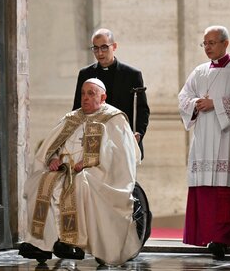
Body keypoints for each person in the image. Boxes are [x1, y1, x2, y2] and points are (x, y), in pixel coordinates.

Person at [19, 78, 142, 266]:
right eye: (83, 93)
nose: (85, 98)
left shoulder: (114, 119)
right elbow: (51, 146)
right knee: (41, 182)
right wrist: (52, 158)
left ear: (103, 97)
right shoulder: (71, 118)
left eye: (91, 94)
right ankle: (40, 243)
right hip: (63, 170)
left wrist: (90, 161)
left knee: (79, 184)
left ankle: (72, 242)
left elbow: (120, 154)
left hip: (97, 172)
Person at [178, 25, 230, 258]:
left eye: (212, 42)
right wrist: (194, 104)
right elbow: (183, 97)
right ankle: (207, 235)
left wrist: (216, 104)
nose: (208, 47)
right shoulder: (199, 71)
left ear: (226, 43)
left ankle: (224, 238)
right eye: (205, 43)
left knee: (226, 193)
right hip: (204, 139)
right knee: (207, 193)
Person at [72, 28, 150, 159]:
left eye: (104, 47)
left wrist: (139, 134)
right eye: (95, 48)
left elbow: (142, 110)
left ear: (114, 46)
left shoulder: (132, 75)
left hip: (123, 141)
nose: (100, 53)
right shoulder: (85, 74)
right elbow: (77, 107)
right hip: (93, 141)